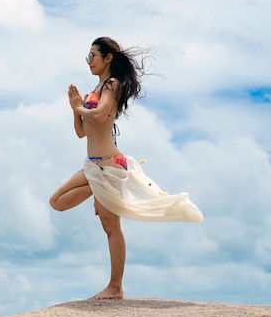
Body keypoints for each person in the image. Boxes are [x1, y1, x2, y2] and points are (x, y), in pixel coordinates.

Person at [49, 37, 203, 300]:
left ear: (107, 57)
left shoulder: (112, 84)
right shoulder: (95, 89)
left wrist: (80, 108)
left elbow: (99, 116)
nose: (89, 62)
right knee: (57, 202)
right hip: (94, 166)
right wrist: (75, 110)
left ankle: (115, 287)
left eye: (92, 56)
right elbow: (81, 132)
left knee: (111, 227)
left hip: (109, 165)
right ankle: (99, 193)